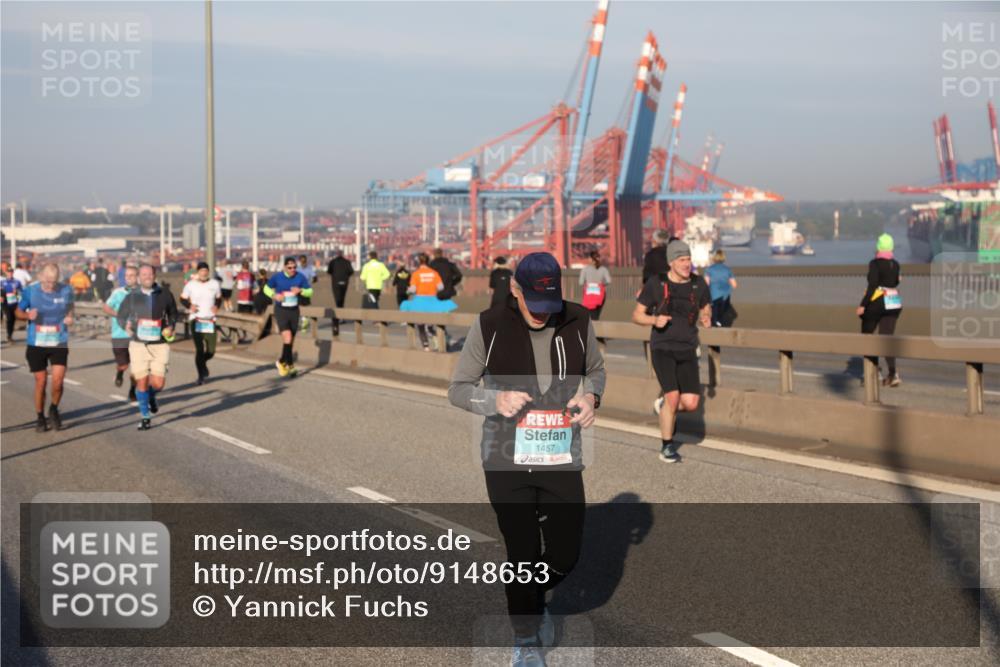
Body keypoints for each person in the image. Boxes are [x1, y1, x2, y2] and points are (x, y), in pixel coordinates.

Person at [448, 251, 605, 666]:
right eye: (534, 305)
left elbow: (596, 371)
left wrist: (591, 396)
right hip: (505, 459)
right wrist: (493, 399)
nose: (542, 314)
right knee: (521, 553)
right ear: (515, 289)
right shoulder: (489, 325)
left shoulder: (578, 321)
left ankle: (532, 599)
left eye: (548, 305)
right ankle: (526, 638)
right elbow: (459, 388)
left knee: (565, 555)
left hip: (560, 457)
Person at [632, 240, 711, 463]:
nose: (687, 264)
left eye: (689, 260)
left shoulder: (698, 283)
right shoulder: (657, 284)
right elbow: (636, 315)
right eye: (682, 260)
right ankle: (667, 447)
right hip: (663, 348)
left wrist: (706, 315)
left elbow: (705, 304)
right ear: (671, 262)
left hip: (688, 347)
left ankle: (663, 406)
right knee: (673, 398)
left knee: (691, 403)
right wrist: (654, 319)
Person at [116, 264, 178, 430]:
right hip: (138, 344)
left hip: (159, 344)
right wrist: (125, 326)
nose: (147, 277)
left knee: (158, 384)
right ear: (139, 277)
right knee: (141, 382)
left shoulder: (165, 294)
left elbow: (173, 313)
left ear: (154, 275)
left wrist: (171, 326)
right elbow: (121, 316)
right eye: (143, 274)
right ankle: (145, 417)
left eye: (149, 274)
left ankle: (151, 396)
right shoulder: (132, 296)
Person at [15, 263, 74, 432]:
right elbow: (17, 312)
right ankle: (40, 417)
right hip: (36, 343)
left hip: (58, 341)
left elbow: (70, 307)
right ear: (40, 277)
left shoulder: (66, 290)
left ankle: (54, 409)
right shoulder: (30, 291)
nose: (50, 285)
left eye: (54, 281)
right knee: (41, 382)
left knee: (58, 381)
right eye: (47, 281)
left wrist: (69, 317)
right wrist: (27, 315)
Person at [857, 233, 903, 387]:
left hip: (878, 300)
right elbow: (895, 282)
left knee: (867, 335)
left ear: (878, 247)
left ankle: (873, 371)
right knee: (887, 338)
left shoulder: (875, 264)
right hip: (894, 302)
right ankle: (893, 373)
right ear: (891, 247)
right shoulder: (895, 264)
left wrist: (863, 305)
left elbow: (872, 285)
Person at [263, 256, 313, 377]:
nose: (292, 270)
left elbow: (310, 291)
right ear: (284, 267)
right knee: (288, 337)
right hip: (281, 310)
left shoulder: (300, 277)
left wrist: (301, 290)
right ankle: (282, 363)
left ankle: (288, 364)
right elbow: (265, 288)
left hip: (294, 310)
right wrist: (274, 296)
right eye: (289, 267)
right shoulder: (277, 277)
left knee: (290, 340)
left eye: (294, 267)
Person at [401, 253, 456, 351]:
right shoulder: (434, 273)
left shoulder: (416, 274)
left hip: (420, 301)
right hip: (432, 300)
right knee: (432, 323)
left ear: (419, 262)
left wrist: (409, 290)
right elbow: (441, 287)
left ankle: (426, 346)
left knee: (420, 324)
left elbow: (413, 289)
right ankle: (438, 339)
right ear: (428, 261)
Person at [180, 261, 223, 385]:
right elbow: (182, 299)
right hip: (196, 319)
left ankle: (202, 363)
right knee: (199, 349)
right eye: (201, 271)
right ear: (197, 272)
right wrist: (190, 306)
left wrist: (216, 306)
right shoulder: (191, 284)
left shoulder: (215, 284)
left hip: (210, 320)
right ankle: (201, 375)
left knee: (211, 351)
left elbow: (219, 298)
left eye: (205, 271)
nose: (203, 273)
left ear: (208, 272)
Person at [102, 264, 138, 401]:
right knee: (124, 365)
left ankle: (133, 390)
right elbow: (105, 307)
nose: (129, 278)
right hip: (119, 336)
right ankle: (119, 372)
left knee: (136, 368)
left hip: (136, 336)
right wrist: (118, 314)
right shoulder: (118, 293)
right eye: (127, 276)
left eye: (132, 276)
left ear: (138, 277)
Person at [429, 248, 463, 346]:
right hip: (448, 292)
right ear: (442, 254)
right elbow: (459, 275)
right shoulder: (449, 264)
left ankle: (440, 338)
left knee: (434, 316)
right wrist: (452, 283)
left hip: (435, 293)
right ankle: (444, 337)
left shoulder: (431, 265)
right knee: (443, 314)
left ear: (434, 255)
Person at [704, 249, 738, 327]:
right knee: (722, 312)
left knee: (714, 312)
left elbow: (706, 284)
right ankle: (720, 323)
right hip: (725, 295)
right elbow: (734, 285)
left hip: (713, 294)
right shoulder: (727, 269)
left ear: (714, 258)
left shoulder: (709, 269)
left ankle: (715, 323)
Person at [326, 249, 354, 336]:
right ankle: (341, 315)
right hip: (344, 282)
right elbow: (351, 271)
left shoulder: (333, 262)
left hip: (336, 282)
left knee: (337, 299)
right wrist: (345, 276)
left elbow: (329, 271)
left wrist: (336, 275)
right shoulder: (347, 262)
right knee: (342, 299)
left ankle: (339, 316)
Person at [579, 250, 612, 321]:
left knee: (589, 314)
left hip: (589, 294)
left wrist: (588, 284)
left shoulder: (585, 269)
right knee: (596, 315)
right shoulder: (603, 269)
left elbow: (581, 282)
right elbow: (609, 281)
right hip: (600, 294)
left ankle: (590, 330)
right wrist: (600, 285)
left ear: (591, 259)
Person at [2, 265, 24, 343]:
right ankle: (8, 335)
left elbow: (22, 292)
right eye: (8, 272)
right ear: (6, 273)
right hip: (5, 303)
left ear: (13, 273)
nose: (10, 274)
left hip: (14, 303)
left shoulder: (17, 282)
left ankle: (10, 335)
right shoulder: (2, 282)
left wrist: (17, 292)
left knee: (13, 319)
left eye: (11, 272)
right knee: (9, 318)